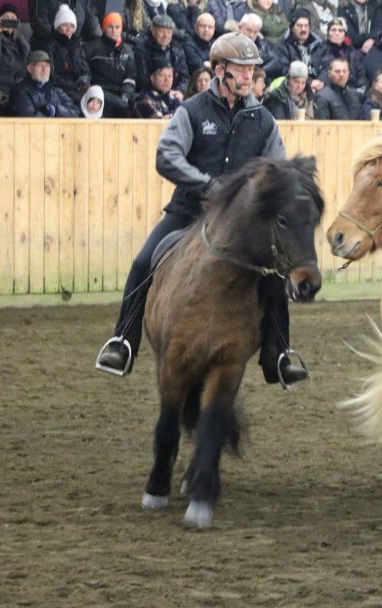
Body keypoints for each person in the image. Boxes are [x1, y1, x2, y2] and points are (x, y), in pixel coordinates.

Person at [95, 32, 308, 387]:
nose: (248, 76)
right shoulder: (191, 111)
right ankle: (123, 341)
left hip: (241, 221)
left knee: (275, 270)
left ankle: (279, 354)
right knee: (143, 262)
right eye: (241, 69)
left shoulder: (264, 120)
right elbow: (167, 156)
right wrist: (208, 186)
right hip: (189, 210)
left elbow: (277, 170)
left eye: (251, 69)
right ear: (220, 69)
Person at [85, 12, 138, 117]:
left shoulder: (127, 51)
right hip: (99, 90)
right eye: (110, 27)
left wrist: (126, 93)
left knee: (139, 102)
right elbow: (84, 73)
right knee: (121, 106)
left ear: (121, 29)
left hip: (120, 91)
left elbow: (131, 77)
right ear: (104, 28)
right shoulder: (91, 48)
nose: (114, 30)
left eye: (117, 27)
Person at [8, 49, 78, 116]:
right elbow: (28, 116)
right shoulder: (20, 91)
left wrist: (55, 111)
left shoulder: (57, 91)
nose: (44, 69)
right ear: (30, 68)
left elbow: (75, 112)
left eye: (47, 66)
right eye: (40, 65)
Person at [45, 4, 91, 104]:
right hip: (58, 89)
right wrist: (72, 85)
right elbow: (50, 75)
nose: (68, 29)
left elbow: (85, 70)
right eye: (65, 25)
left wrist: (84, 80)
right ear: (57, 27)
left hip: (78, 88)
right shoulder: (51, 47)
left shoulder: (78, 46)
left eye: (72, 26)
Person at [134, 14, 189, 95]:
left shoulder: (177, 50)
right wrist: (166, 92)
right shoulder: (143, 49)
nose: (165, 36)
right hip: (149, 94)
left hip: (174, 93)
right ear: (153, 31)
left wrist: (180, 92)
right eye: (162, 32)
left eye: (169, 32)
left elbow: (184, 77)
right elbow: (142, 80)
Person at [272, 9, 321, 82]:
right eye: (299, 26)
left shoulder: (318, 44)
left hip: (319, 84)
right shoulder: (282, 47)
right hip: (297, 84)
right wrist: (309, 82)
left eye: (306, 26)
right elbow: (285, 70)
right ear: (292, 28)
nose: (303, 29)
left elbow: (327, 66)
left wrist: (321, 82)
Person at [29, 0, 101, 48]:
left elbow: (92, 19)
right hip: (47, 46)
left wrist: (100, 39)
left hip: (75, 44)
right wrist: (63, 39)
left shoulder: (83, 1)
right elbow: (40, 25)